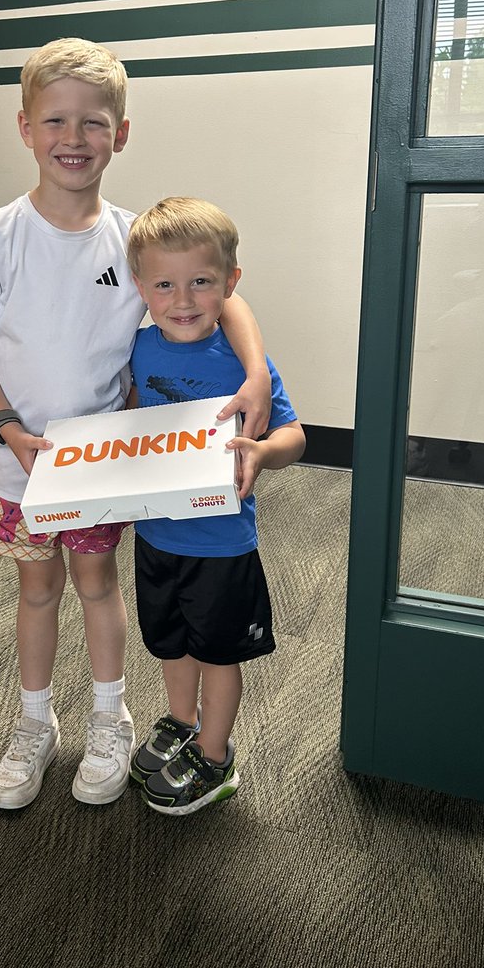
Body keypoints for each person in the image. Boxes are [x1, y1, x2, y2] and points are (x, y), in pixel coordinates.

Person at [0, 39, 273, 811]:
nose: (74, 138)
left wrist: (256, 370)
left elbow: (223, 294)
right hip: (18, 466)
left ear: (120, 134)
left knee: (97, 586)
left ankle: (109, 718)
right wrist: (7, 427)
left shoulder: (132, 240)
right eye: (55, 121)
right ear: (25, 128)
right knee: (36, 591)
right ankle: (34, 724)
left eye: (93, 122)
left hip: (100, 468)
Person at [125, 197, 306, 815]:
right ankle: (182, 721)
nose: (182, 299)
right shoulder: (139, 350)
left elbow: (294, 437)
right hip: (156, 536)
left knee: (218, 653)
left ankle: (215, 753)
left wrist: (261, 451)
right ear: (141, 289)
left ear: (230, 283)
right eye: (164, 285)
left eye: (201, 282)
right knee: (171, 644)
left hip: (222, 544)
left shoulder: (242, 363)